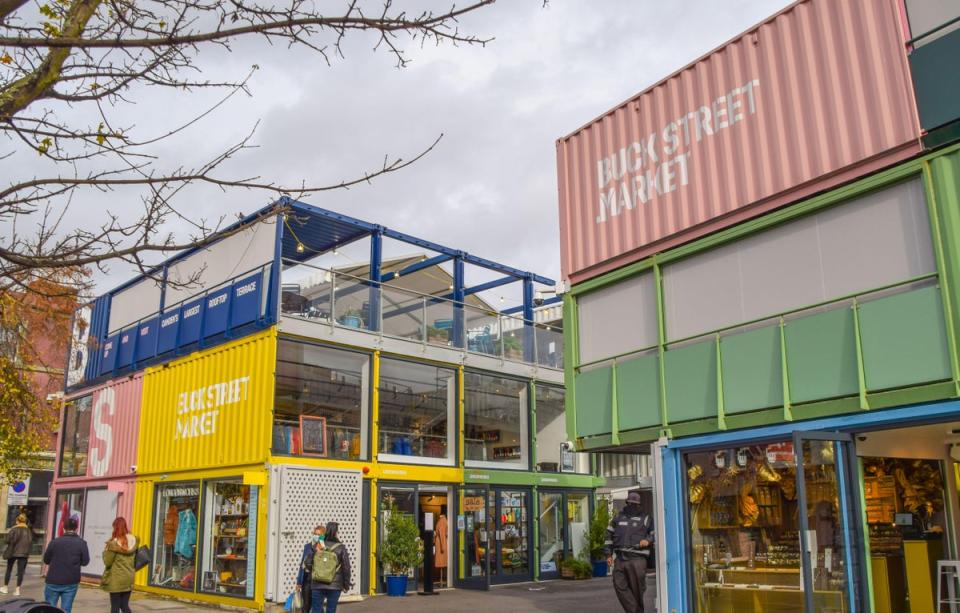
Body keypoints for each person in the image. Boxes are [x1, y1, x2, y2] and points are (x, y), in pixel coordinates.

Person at [606, 492, 654, 613]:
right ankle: (636, 611)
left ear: (639, 505)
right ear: (627, 503)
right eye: (630, 503)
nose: (631, 505)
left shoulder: (646, 518)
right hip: (620, 558)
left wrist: (647, 540)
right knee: (619, 585)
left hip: (637, 559)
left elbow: (654, 534)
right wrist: (608, 554)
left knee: (637, 589)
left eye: (634, 504)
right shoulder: (618, 517)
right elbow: (608, 535)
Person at [43, 516, 90, 613]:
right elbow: (85, 562)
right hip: (71, 581)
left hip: (53, 580)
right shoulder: (82, 543)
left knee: (49, 609)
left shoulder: (54, 542)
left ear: (63, 528)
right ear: (76, 529)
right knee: (66, 609)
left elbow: (46, 560)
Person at [310, 522, 351, 613]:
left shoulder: (317, 545)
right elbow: (346, 568)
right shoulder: (341, 548)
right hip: (334, 585)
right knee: (331, 610)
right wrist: (346, 585)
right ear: (336, 532)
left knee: (316, 610)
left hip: (317, 583)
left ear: (326, 531)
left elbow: (308, 563)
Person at [101, 517, 138, 613]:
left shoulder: (113, 544)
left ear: (115, 528)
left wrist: (105, 552)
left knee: (115, 606)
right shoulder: (133, 541)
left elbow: (108, 562)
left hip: (116, 579)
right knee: (124, 605)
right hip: (129, 577)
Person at [296, 525, 326, 613]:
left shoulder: (325, 548)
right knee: (306, 605)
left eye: (319, 535)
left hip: (319, 580)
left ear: (323, 536)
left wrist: (321, 550)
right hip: (307, 580)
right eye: (315, 534)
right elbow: (302, 565)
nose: (316, 536)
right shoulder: (307, 547)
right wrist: (299, 582)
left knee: (318, 606)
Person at [2, 513, 33, 596]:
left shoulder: (14, 529)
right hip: (23, 553)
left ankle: (5, 587)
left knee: (9, 569)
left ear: (17, 521)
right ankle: (17, 589)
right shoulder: (28, 530)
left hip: (12, 552)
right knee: (20, 572)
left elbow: (7, 540)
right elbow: (30, 542)